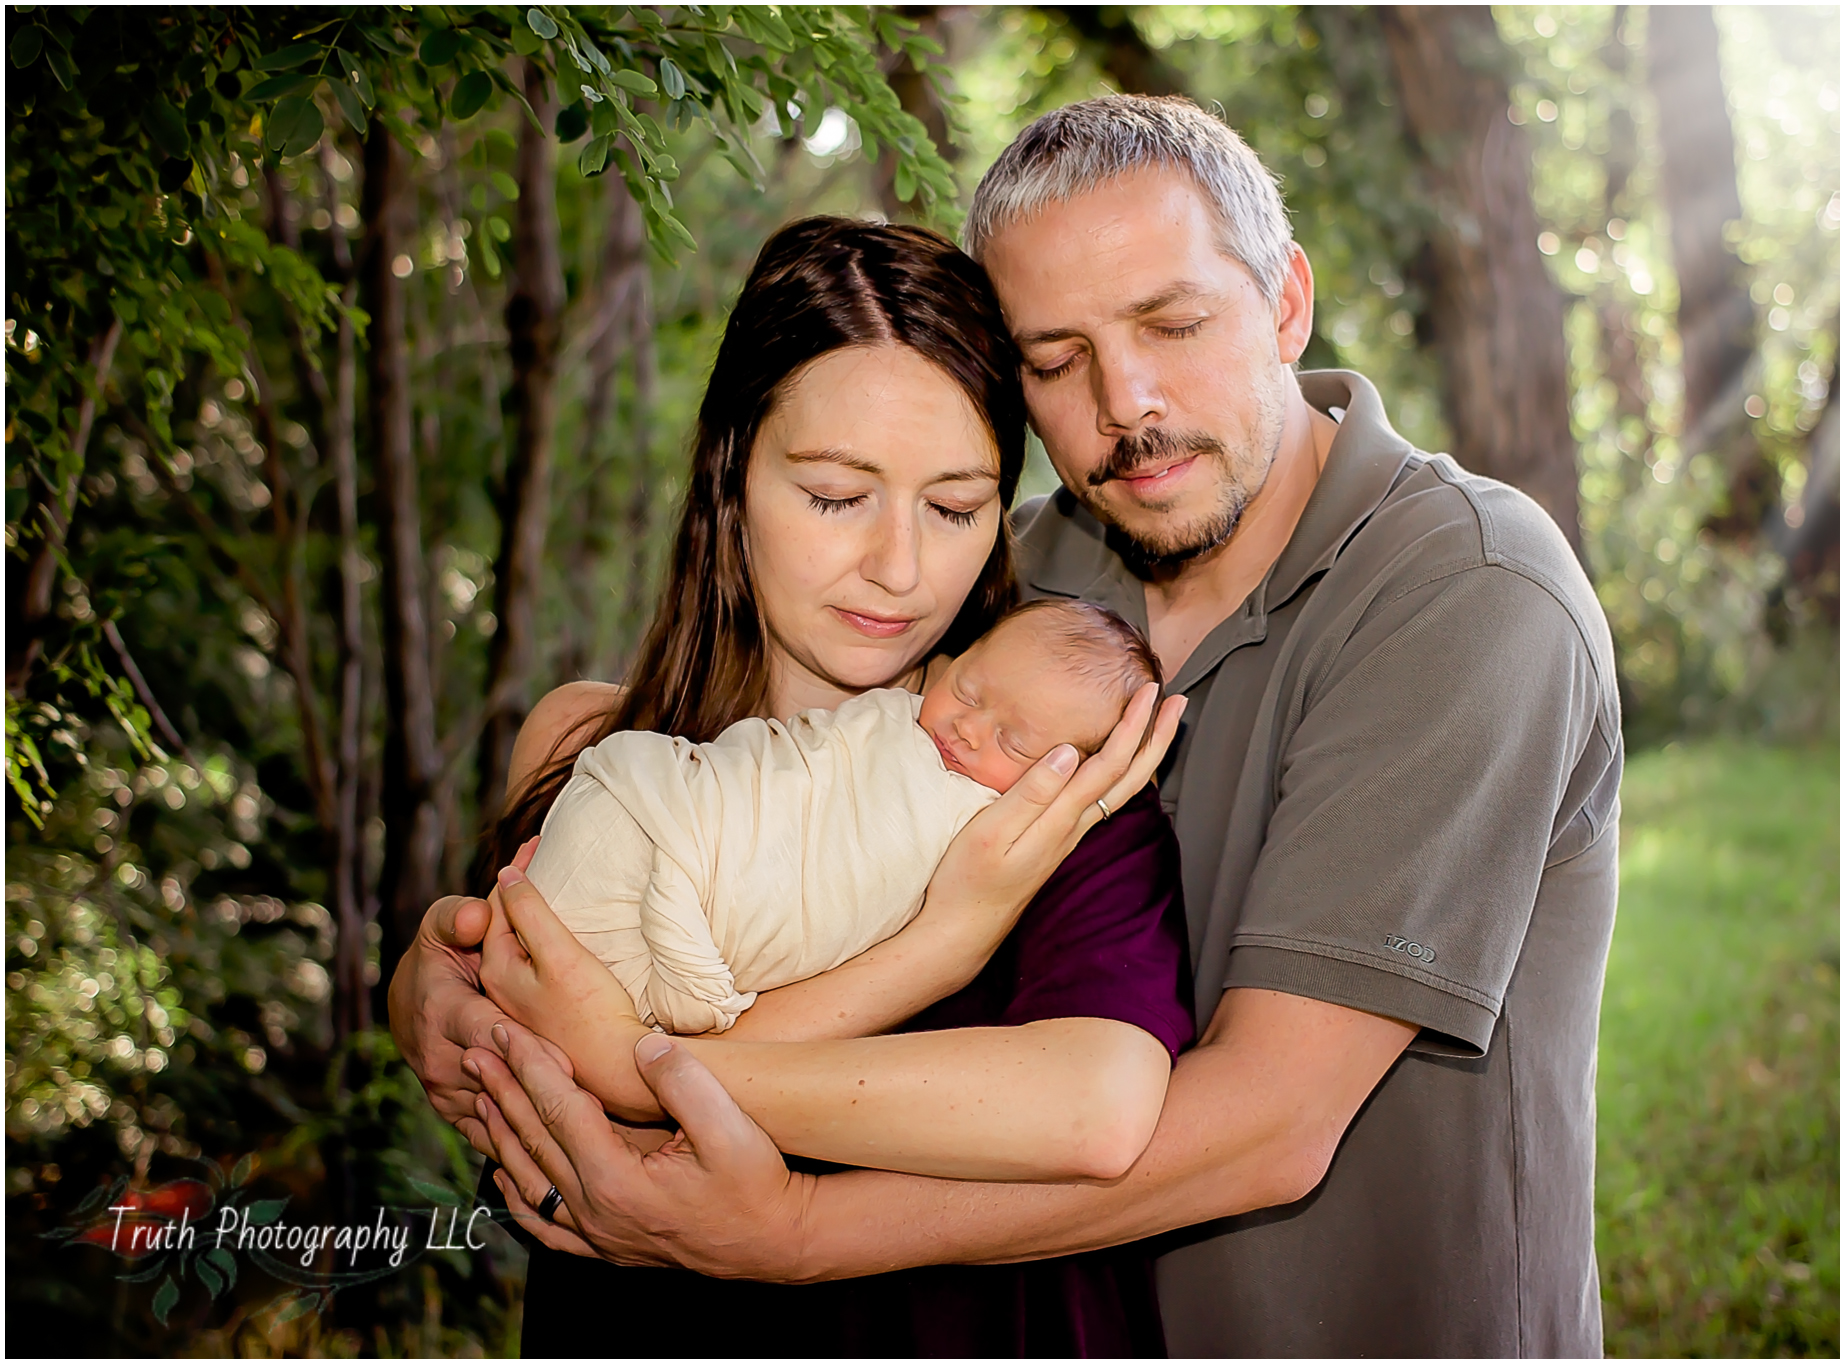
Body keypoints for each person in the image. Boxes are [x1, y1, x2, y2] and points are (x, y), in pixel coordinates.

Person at [452, 94, 1626, 1356]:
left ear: (1286, 302)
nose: (1125, 400)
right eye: (1055, 361)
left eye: (1171, 323)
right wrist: (437, 978)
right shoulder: (1023, 597)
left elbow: (1260, 1119)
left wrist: (759, 1192)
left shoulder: (1463, 593)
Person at [392, 214, 1195, 1355]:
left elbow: (1095, 1102)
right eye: (832, 495)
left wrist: (640, 1069)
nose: (899, 567)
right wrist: (430, 989)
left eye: (956, 506)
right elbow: (541, 1147)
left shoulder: (1038, 778)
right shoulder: (583, 745)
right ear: (732, 473)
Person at [506, 600, 1164, 1097]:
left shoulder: (1023, 840)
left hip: (687, 948)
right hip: (650, 835)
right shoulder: (888, 718)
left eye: (1014, 743)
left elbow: (1096, 1115)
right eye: (967, 690)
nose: (966, 728)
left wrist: (628, 1070)